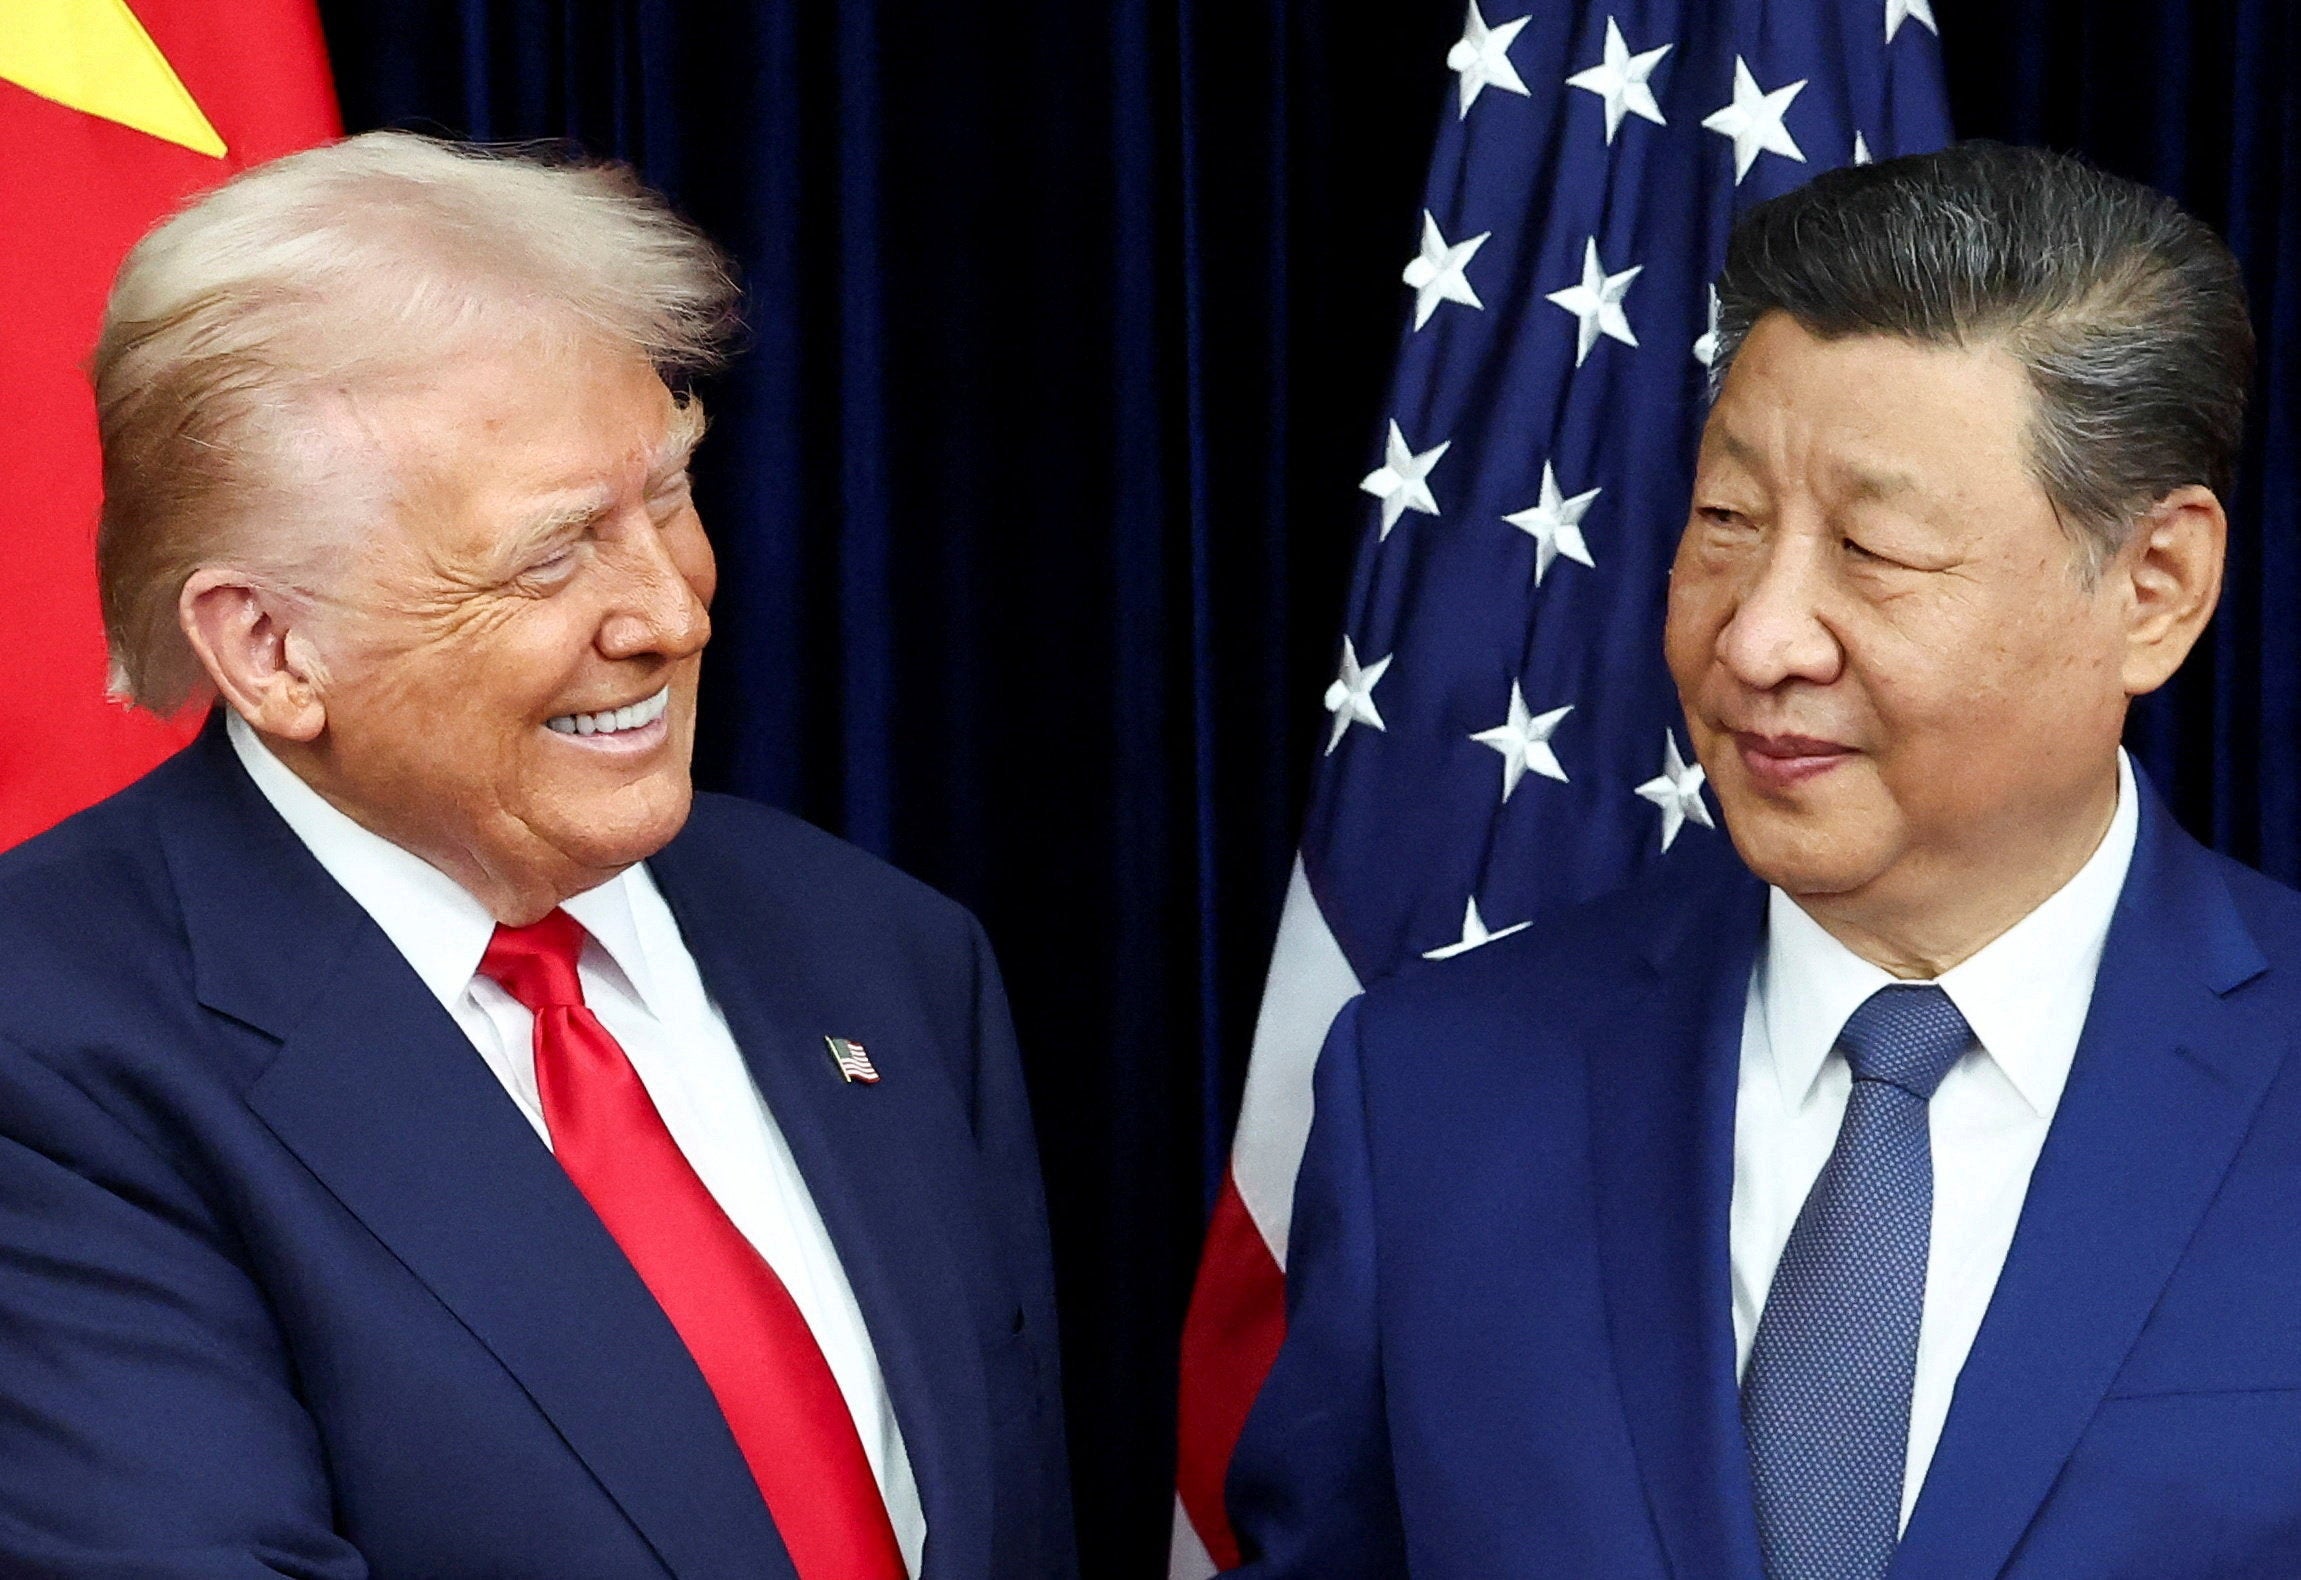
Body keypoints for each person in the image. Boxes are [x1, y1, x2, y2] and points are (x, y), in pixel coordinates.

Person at [0, 131, 1073, 1580]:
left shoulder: (878, 950)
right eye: (552, 554)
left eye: (670, 497)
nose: (670, 613)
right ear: (270, 646)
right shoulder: (49, 1047)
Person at [1224, 142, 2290, 1579]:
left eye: (1872, 548)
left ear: (2152, 590)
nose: (1755, 638)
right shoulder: (1430, 1096)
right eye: (1726, 524)